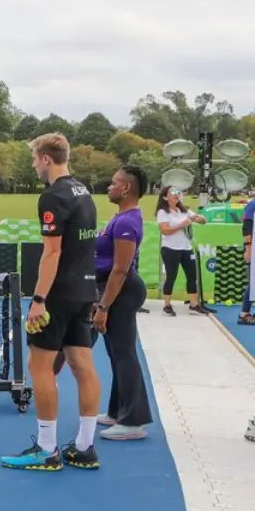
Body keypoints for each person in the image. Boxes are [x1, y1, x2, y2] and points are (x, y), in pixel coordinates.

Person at [2, 133, 102, 471]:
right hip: (85, 291)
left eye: (34, 158)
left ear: (46, 158)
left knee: (39, 367)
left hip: (58, 294)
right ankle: (85, 448)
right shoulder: (84, 192)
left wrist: (39, 299)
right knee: (82, 366)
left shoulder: (53, 197)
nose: (33, 164)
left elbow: (53, 252)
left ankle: (47, 450)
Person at [93, 166, 154, 441]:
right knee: (117, 354)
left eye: (114, 183)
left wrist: (103, 307)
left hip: (121, 291)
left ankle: (133, 422)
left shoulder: (127, 222)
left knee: (125, 354)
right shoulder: (120, 218)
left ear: (126, 188)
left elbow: (120, 269)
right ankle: (118, 411)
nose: (109, 187)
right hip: (114, 288)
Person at [155, 186, 210, 315]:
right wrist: (181, 225)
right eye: (173, 193)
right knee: (171, 277)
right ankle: (167, 305)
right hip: (170, 249)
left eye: (178, 192)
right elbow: (165, 231)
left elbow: (203, 221)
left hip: (186, 248)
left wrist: (198, 218)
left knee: (192, 276)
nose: (176, 195)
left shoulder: (184, 210)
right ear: (165, 197)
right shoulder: (163, 212)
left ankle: (194, 305)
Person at [240, 192, 255, 325]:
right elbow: (246, 228)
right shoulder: (252, 205)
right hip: (253, 249)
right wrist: (248, 248)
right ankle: (244, 313)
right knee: (253, 282)